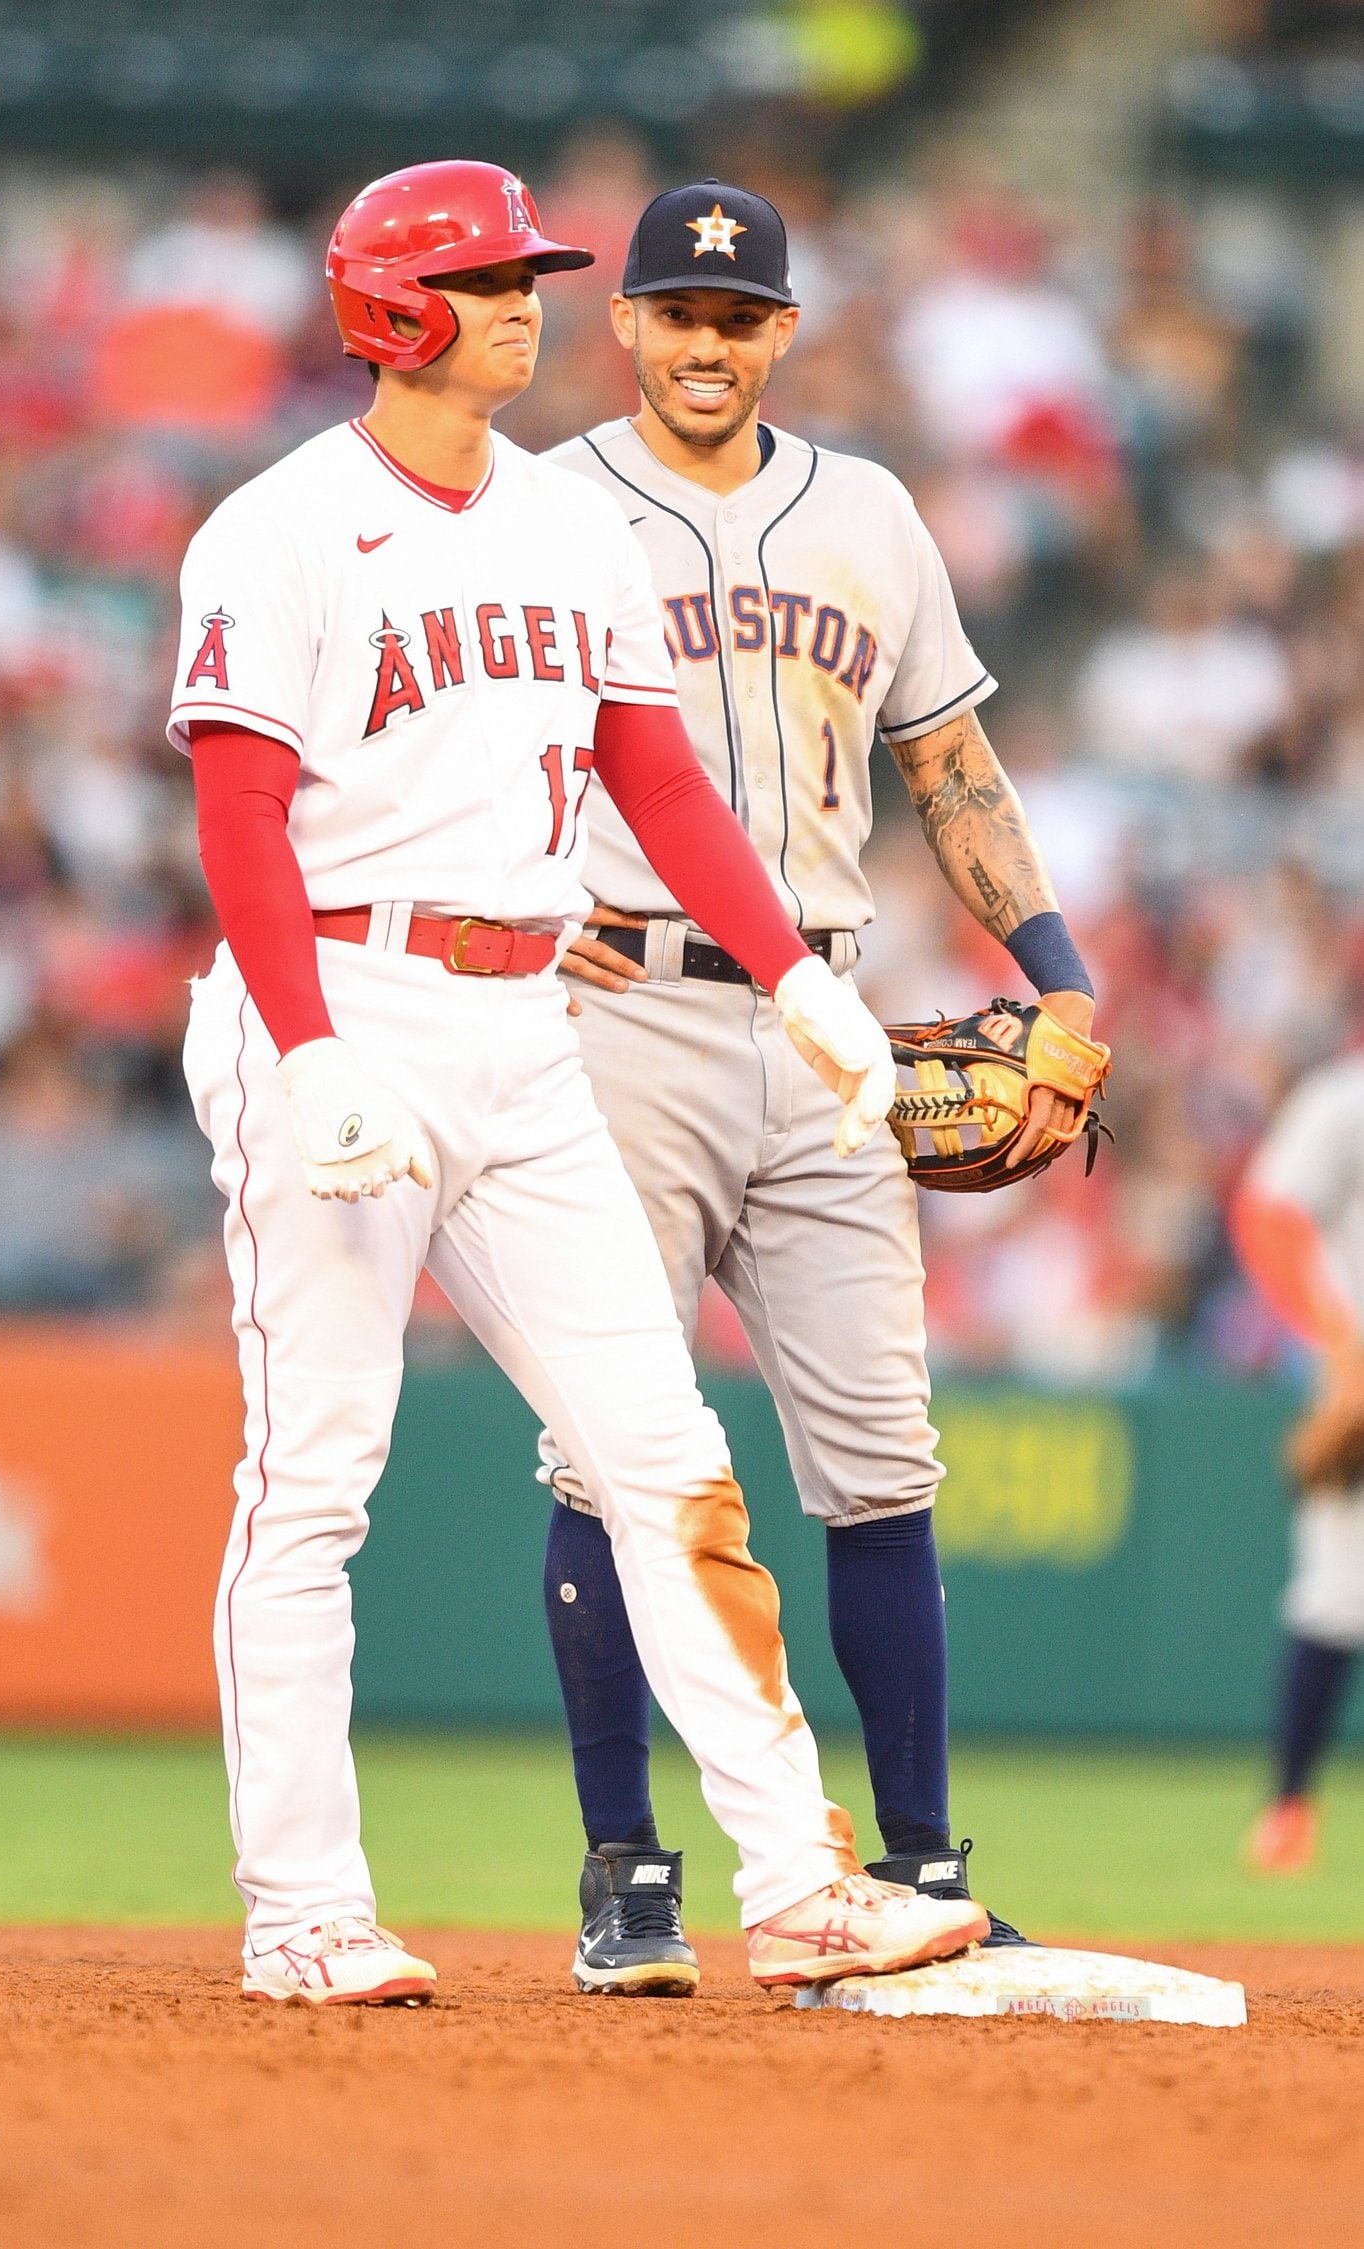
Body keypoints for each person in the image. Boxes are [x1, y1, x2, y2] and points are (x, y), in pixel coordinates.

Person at [169, 160, 991, 2007]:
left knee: (665, 1451)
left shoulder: (562, 522)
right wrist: (307, 1048)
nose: (526, 305)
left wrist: (797, 978)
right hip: (342, 993)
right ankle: (302, 1909)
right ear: (394, 310)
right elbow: (239, 817)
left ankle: (801, 1882)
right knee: (314, 1478)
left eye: (531, 275)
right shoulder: (281, 527)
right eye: (488, 279)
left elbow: (657, 778)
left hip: (525, 1023)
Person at [537, 180, 1102, 1995]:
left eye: (740, 315)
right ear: (627, 324)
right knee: (606, 1450)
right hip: (624, 1010)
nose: (708, 342)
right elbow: (454, 751)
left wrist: (1063, 976)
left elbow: (953, 764)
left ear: (783, 330)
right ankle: (625, 1872)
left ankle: (920, 1866)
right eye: (679, 312)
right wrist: (513, 910)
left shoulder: (867, 511)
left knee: (879, 1458)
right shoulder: (541, 510)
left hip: (832, 1026)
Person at [1231, 1059, 1364, 1873]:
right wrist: (1339, 1345)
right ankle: (1288, 1808)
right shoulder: (1346, 1099)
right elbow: (1269, 1213)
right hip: (1361, 1380)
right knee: (1338, 1593)